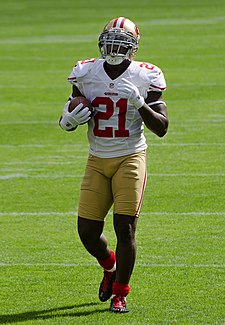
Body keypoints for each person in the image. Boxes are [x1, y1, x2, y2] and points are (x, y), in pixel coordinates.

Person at [59, 17, 168, 313]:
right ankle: (110, 267)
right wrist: (67, 120)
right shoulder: (85, 71)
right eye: (111, 38)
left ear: (134, 46)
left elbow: (162, 128)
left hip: (131, 156)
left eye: (122, 39)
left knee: (125, 228)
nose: (115, 45)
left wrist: (140, 104)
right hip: (97, 158)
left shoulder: (146, 75)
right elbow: (71, 106)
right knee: (87, 232)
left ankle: (120, 292)